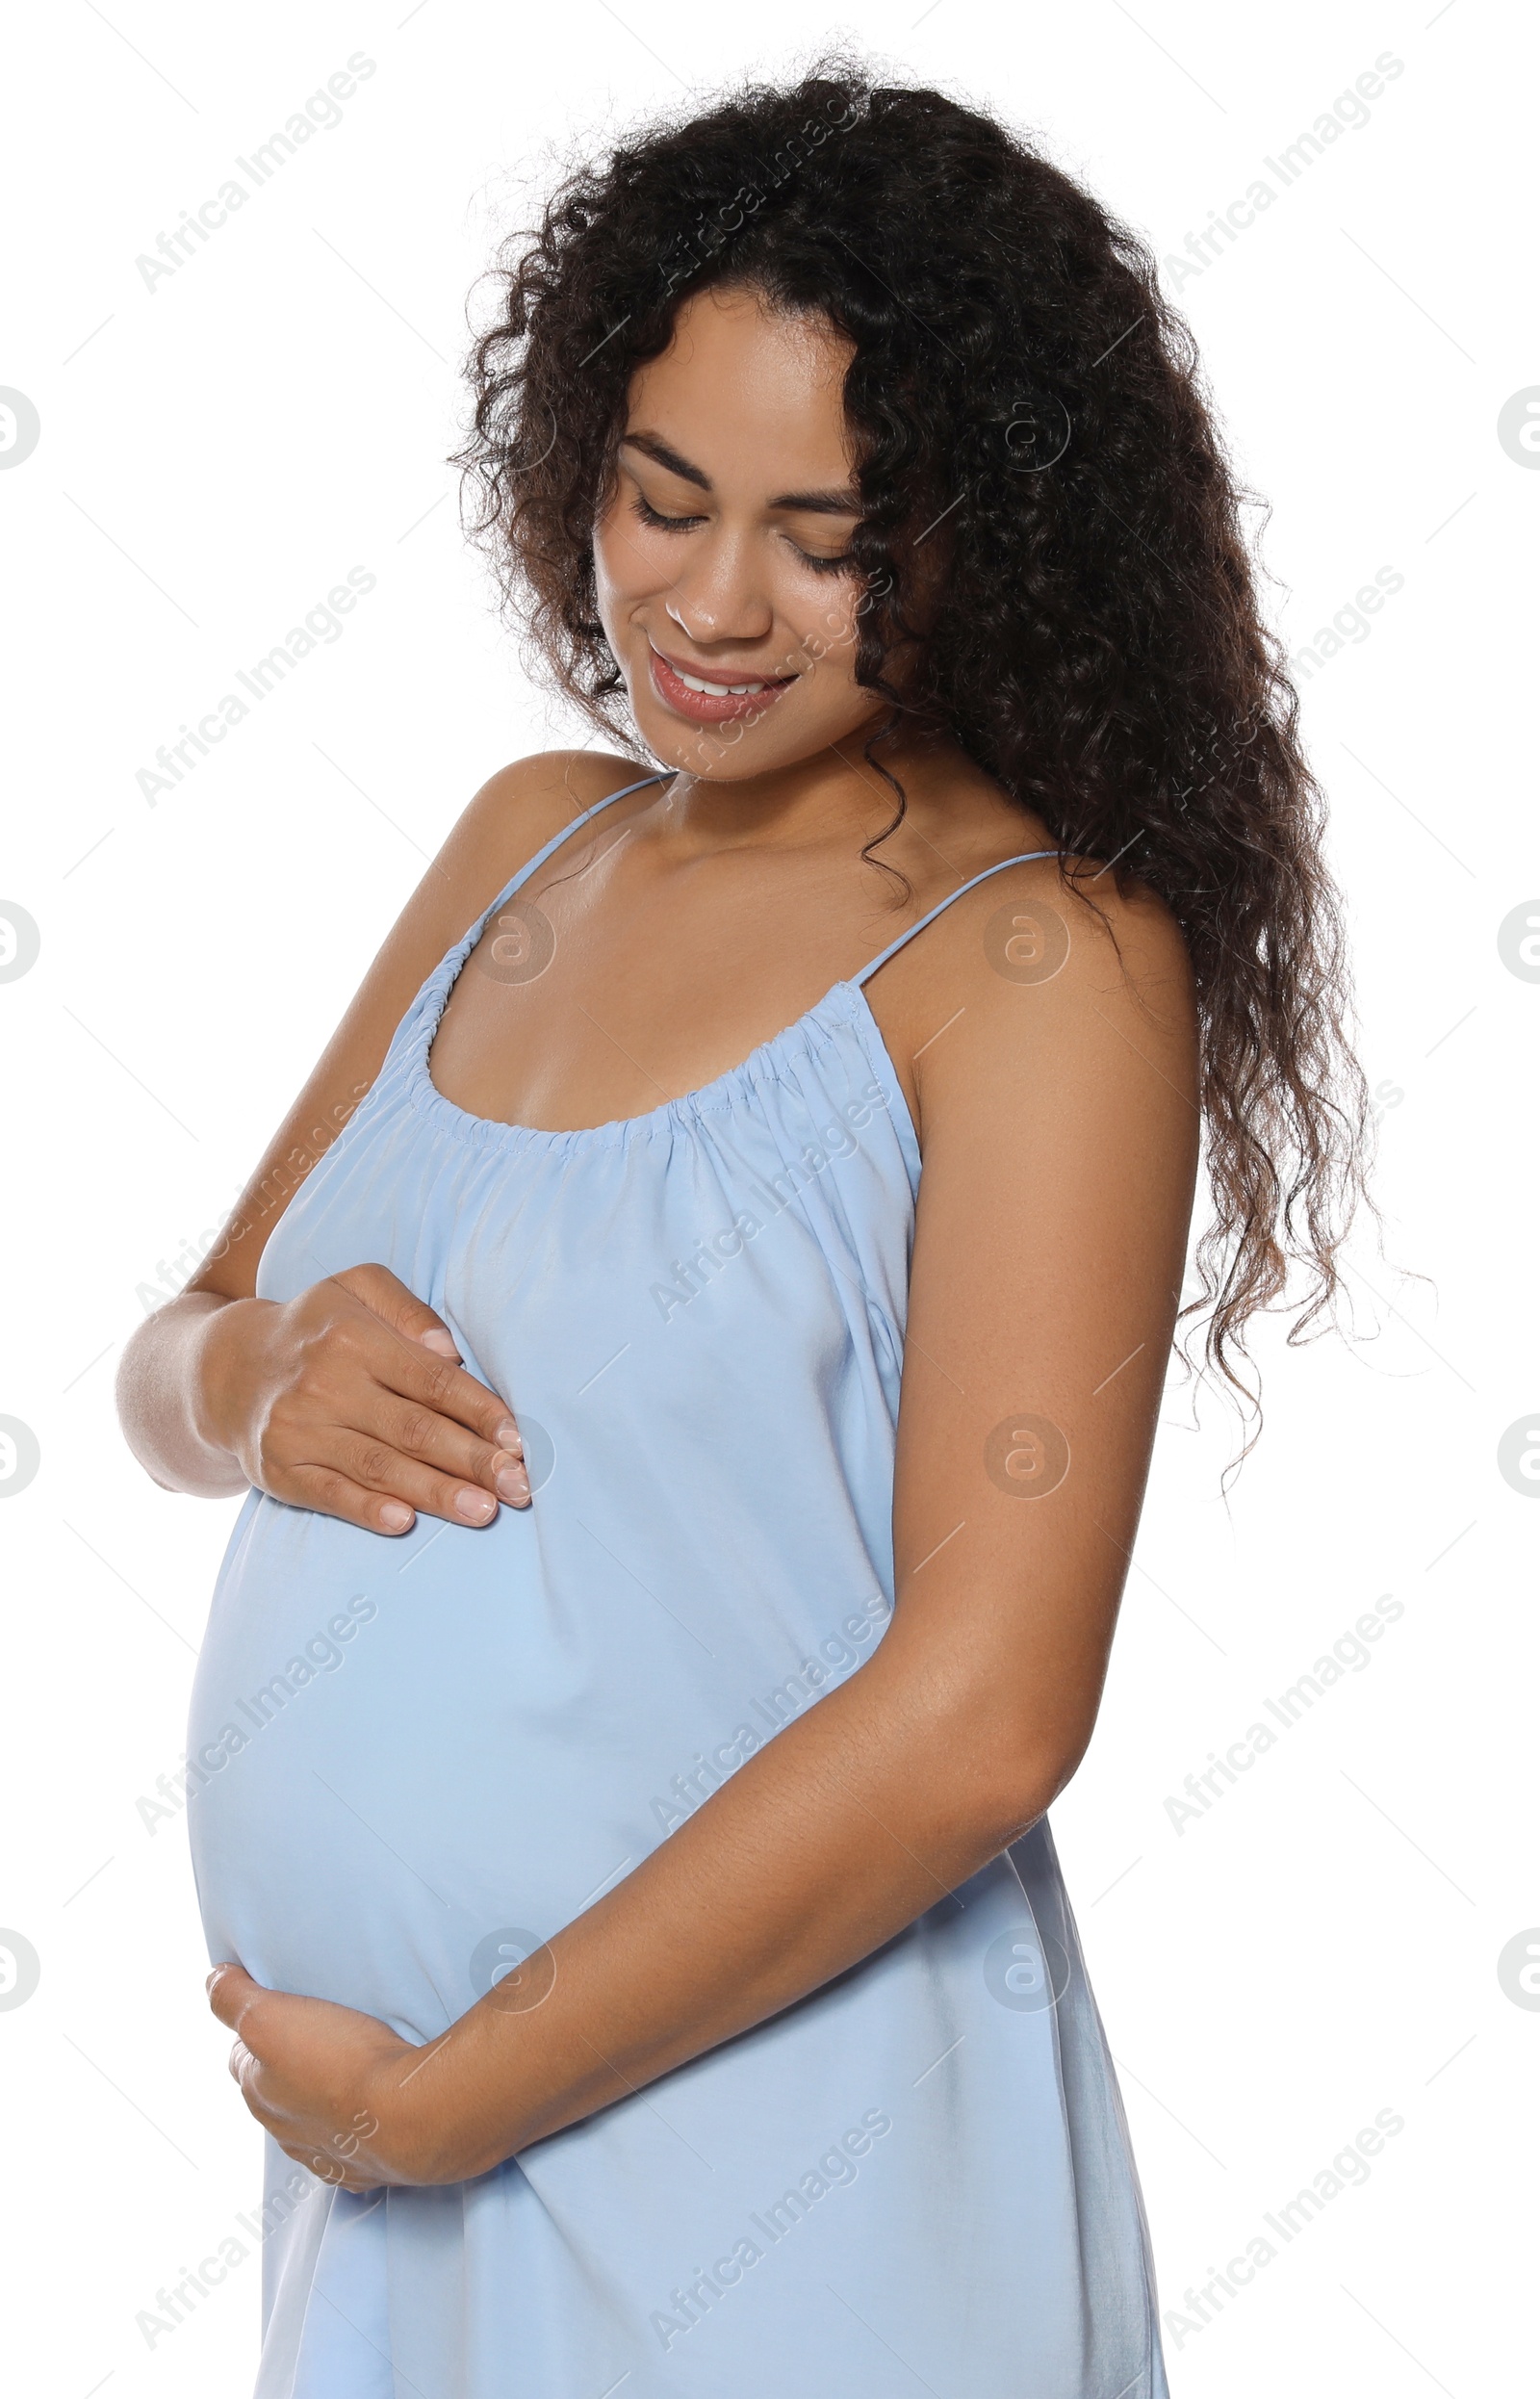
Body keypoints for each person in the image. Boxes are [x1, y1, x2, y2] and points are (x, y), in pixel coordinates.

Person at [116, 60, 1370, 2399]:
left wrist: (450, 2093)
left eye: (828, 534)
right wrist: (255, 1381)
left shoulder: (1033, 962)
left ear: (990, 531)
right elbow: (180, 1349)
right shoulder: (524, 841)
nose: (706, 603)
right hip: (379, 2191)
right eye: (659, 497)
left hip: (781, 2194)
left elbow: (987, 1715)